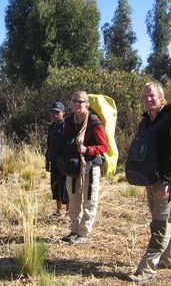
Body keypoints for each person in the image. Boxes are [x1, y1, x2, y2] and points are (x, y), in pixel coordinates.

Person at [127, 81, 171, 283]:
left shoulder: (170, 120)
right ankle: (170, 260)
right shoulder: (145, 121)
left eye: (152, 96)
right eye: (145, 96)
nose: (148, 99)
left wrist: (166, 182)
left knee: (160, 223)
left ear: (161, 97)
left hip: (167, 179)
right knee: (166, 219)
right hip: (151, 178)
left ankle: (147, 269)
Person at [60, 91, 108, 246]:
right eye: (74, 101)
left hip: (90, 165)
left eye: (80, 101)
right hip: (73, 166)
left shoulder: (94, 122)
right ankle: (74, 231)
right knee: (73, 200)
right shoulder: (68, 122)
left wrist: (87, 150)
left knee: (89, 200)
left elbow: (103, 146)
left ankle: (84, 233)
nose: (77, 104)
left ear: (87, 103)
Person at [45, 102, 69, 217]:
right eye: (53, 112)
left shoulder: (66, 126)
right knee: (55, 186)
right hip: (53, 160)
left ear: (63, 113)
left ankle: (69, 211)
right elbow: (49, 144)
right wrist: (47, 159)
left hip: (64, 162)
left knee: (65, 186)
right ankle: (59, 209)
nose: (55, 115)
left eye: (57, 112)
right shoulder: (51, 127)